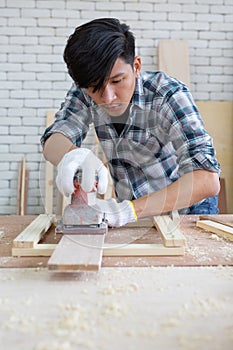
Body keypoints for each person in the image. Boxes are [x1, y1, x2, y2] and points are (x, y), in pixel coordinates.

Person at [41, 18, 220, 227]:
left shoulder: (168, 95)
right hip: (135, 212)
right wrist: (73, 155)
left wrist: (129, 209)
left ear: (136, 66)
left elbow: (207, 180)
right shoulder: (85, 93)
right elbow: (54, 139)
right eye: (94, 87)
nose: (107, 97)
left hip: (188, 209)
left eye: (117, 81)